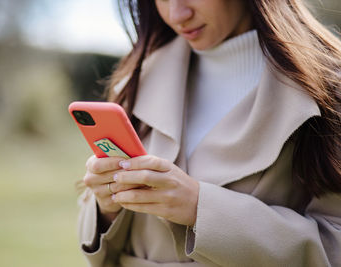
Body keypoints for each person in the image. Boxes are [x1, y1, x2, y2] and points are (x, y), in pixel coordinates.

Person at [77, 0, 341, 266]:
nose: (177, 14)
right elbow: (99, 253)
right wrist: (106, 207)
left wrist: (201, 208)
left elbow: (335, 246)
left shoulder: (328, 89)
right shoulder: (137, 79)